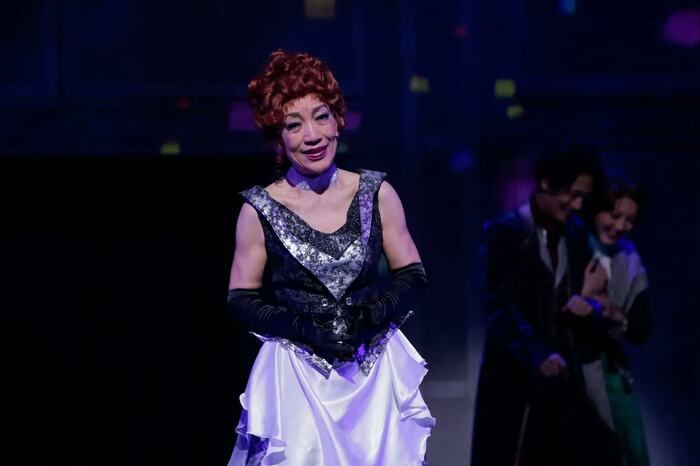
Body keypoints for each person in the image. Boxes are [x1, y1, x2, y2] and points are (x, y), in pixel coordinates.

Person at [226, 50, 434, 466]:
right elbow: (241, 298)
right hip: (297, 380)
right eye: (294, 124)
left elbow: (412, 274)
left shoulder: (376, 193)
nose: (312, 135)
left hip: (373, 379)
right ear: (278, 136)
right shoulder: (259, 209)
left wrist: (373, 315)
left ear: (339, 119)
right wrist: (302, 328)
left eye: (321, 117)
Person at [471, 144, 622, 466]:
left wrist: (592, 308)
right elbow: (498, 305)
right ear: (547, 183)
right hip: (516, 380)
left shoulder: (576, 236)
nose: (578, 205)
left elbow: (591, 295)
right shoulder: (504, 234)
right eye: (573, 195)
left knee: (601, 450)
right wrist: (538, 353)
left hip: (562, 378)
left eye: (583, 197)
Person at [580, 184, 651, 466]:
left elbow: (642, 329)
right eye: (614, 215)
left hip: (612, 372)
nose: (620, 226)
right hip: (576, 373)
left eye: (629, 220)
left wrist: (614, 313)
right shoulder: (575, 246)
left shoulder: (630, 259)